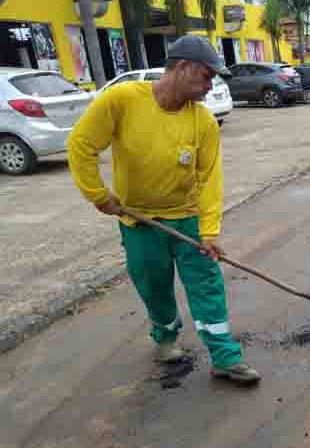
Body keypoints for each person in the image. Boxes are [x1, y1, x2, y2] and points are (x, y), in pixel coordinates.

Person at [67, 35, 260, 384]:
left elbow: (209, 178)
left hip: (187, 219)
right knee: (154, 286)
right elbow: (81, 144)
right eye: (206, 76)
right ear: (183, 68)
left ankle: (224, 355)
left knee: (207, 284)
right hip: (139, 221)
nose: (209, 86)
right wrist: (97, 194)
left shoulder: (202, 121)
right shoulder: (123, 100)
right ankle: (166, 337)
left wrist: (210, 229)